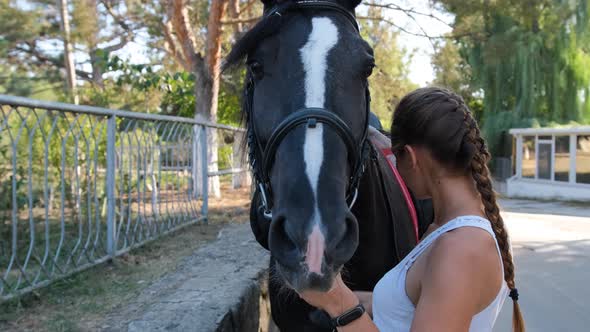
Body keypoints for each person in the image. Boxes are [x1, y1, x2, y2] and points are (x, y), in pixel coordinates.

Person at [299, 87, 525, 332]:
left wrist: (338, 303)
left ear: (410, 156)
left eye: (395, 156)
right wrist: (328, 289)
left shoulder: (461, 249)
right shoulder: (444, 231)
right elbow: (398, 308)